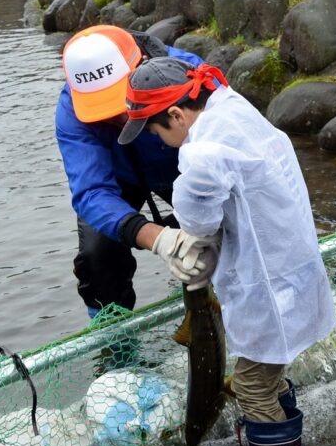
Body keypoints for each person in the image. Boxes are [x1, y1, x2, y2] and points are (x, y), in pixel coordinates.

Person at [117, 57, 336, 446]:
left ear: (176, 115)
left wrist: (177, 243)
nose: (159, 143)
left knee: (253, 385)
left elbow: (197, 219)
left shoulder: (203, 152)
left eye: (157, 132)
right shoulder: (233, 107)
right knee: (271, 374)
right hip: (293, 271)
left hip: (269, 287)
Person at [56, 25, 217, 340]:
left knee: (226, 233)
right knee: (97, 257)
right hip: (120, 178)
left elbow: (234, 153)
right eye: (102, 109)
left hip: (187, 165)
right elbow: (91, 192)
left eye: (120, 103)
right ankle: (115, 341)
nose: (118, 118)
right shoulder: (70, 110)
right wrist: (159, 238)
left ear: (141, 64)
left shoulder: (190, 74)